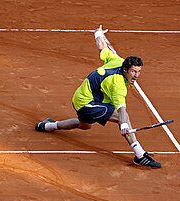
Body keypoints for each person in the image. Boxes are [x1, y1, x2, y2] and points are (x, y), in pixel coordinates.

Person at [35, 25, 161, 168]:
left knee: (84, 125)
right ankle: (139, 155)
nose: (136, 75)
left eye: (138, 72)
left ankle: (47, 126)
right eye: (133, 72)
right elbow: (122, 110)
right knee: (121, 117)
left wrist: (98, 33)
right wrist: (124, 124)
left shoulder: (117, 60)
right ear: (125, 69)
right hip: (88, 103)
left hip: (81, 97)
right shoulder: (118, 85)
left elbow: (102, 48)